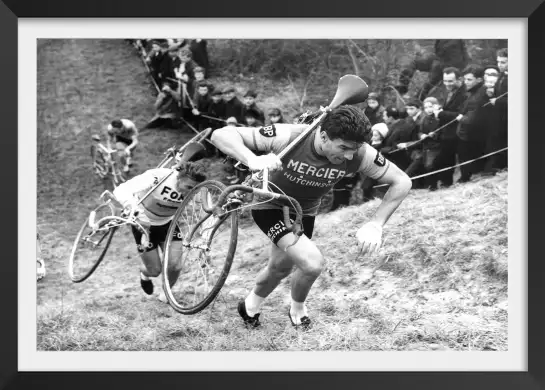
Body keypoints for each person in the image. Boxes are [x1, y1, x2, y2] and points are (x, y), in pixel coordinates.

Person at [211, 105, 412, 329]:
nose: (348, 156)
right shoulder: (290, 136)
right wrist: (251, 159)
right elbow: (220, 134)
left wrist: (376, 224)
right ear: (324, 136)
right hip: (270, 203)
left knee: (281, 268)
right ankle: (298, 309)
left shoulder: (360, 153)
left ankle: (249, 306)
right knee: (312, 264)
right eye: (343, 147)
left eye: (354, 150)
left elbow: (402, 181)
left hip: (303, 211)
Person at [112, 161, 207, 302]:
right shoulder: (158, 177)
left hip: (167, 224)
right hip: (143, 224)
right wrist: (135, 210)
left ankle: (166, 293)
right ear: (178, 178)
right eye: (187, 187)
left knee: (175, 265)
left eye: (193, 190)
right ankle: (144, 274)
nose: (189, 193)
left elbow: (208, 208)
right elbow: (120, 190)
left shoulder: (196, 188)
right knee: (154, 270)